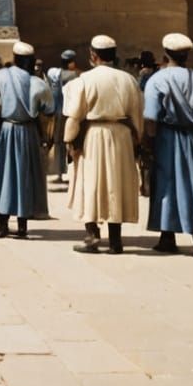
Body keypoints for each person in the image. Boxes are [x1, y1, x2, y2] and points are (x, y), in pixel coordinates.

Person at [64, 33, 144, 255]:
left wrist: (70, 141)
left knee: (91, 183)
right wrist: (137, 140)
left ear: (93, 55)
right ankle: (115, 240)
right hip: (121, 136)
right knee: (115, 185)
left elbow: (74, 115)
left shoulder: (84, 80)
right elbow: (137, 114)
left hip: (93, 135)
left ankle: (91, 236)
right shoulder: (128, 80)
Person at [143, 32, 193, 256]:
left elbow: (150, 118)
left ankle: (167, 237)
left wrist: (148, 144)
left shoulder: (156, 80)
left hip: (166, 139)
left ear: (165, 54)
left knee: (167, 185)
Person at [0, 40, 52, 239]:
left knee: (2, 177)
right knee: (24, 177)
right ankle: (22, 226)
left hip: (5, 131)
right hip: (28, 133)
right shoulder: (37, 82)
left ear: (14, 57)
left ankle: (2, 224)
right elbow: (49, 108)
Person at [44, 49, 79, 186]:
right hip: (69, 113)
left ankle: (58, 173)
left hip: (57, 113)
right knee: (72, 142)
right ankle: (73, 173)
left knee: (58, 143)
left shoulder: (53, 73)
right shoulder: (73, 76)